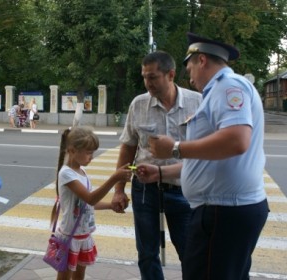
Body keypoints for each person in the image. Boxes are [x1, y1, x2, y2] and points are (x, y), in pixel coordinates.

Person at [145, 33, 269, 280]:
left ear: (201, 60)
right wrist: (160, 172)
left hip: (224, 212)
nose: (188, 76)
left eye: (189, 66)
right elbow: (208, 158)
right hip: (223, 210)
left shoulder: (229, 87)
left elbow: (236, 140)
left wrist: (175, 148)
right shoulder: (217, 92)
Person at [111, 50, 202, 279]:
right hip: (145, 192)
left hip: (184, 189)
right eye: (144, 77)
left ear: (170, 75)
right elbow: (128, 148)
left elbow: (205, 151)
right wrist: (119, 190)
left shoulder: (197, 102)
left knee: (190, 252)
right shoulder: (139, 104)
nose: (147, 83)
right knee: (147, 253)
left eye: (152, 77)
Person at [52, 126, 132, 280]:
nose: (92, 157)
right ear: (72, 151)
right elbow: (90, 198)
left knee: (79, 277)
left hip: (83, 235)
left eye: (92, 153)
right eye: (89, 153)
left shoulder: (82, 172)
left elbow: (88, 204)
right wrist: (114, 178)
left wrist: (110, 205)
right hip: (70, 237)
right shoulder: (66, 173)